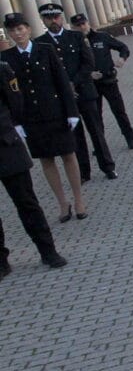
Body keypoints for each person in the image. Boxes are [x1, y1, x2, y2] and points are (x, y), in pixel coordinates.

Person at [1, 13, 85, 222]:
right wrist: (16, 122)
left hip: (55, 112)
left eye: (20, 29)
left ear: (28, 29)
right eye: (13, 31)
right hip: (31, 118)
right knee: (47, 160)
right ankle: (62, 203)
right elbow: (8, 94)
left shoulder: (45, 50)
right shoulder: (6, 58)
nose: (17, 34)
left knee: (68, 156)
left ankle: (79, 199)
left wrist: (72, 112)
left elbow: (62, 82)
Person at [0, 54, 66, 275]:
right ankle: (2, 262)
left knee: (27, 202)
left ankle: (48, 251)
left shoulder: (2, 69)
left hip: (6, 145)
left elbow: (16, 104)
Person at [36, 3, 115, 181]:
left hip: (85, 92)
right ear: (43, 20)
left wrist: (73, 82)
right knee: (75, 136)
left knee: (96, 132)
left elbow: (88, 63)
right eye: (49, 18)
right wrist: (65, 87)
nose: (53, 21)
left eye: (56, 17)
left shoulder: (76, 37)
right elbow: (44, 73)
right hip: (63, 98)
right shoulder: (40, 43)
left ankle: (108, 167)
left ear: (61, 18)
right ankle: (84, 173)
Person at [69, 15, 133, 150]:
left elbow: (123, 47)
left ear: (88, 23)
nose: (82, 27)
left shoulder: (102, 37)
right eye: (78, 25)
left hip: (108, 81)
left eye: (83, 24)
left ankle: (130, 138)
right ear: (72, 27)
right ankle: (100, 145)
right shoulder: (73, 43)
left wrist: (122, 59)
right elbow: (72, 66)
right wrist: (88, 75)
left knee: (119, 111)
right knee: (95, 116)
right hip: (90, 85)